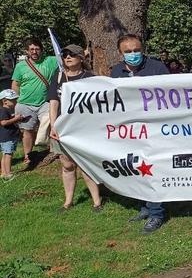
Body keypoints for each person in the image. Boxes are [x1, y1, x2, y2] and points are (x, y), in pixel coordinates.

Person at [111, 34, 170, 233]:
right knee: (137, 168)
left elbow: (170, 94)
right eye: (128, 52)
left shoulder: (157, 68)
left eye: (136, 50)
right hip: (130, 130)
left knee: (151, 169)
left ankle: (157, 213)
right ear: (120, 53)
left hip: (153, 128)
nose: (133, 54)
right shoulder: (116, 71)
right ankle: (145, 206)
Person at [48, 44, 102, 212]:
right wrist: (53, 125)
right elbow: (53, 103)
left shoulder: (90, 78)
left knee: (86, 165)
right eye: (65, 55)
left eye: (72, 54)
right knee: (67, 165)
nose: (68, 57)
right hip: (62, 129)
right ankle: (68, 202)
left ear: (81, 57)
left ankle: (97, 202)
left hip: (84, 129)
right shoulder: (57, 77)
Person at [11, 37, 58, 165]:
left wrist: (85, 52)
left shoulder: (50, 61)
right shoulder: (20, 66)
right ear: (27, 51)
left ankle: (50, 149)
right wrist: (14, 103)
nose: (34, 51)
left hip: (44, 102)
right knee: (27, 131)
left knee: (51, 122)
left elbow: (63, 56)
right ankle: (28, 155)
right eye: (31, 49)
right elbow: (15, 85)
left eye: (37, 49)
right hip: (25, 103)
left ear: (41, 50)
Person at [0, 89, 25, 179]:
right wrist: (16, 119)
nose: (15, 101)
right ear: (5, 101)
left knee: (5, 154)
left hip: (6, 137)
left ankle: (3, 173)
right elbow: (3, 122)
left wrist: (17, 118)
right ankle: (8, 173)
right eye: (13, 100)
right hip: (7, 137)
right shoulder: (4, 110)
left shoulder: (6, 110)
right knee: (8, 154)